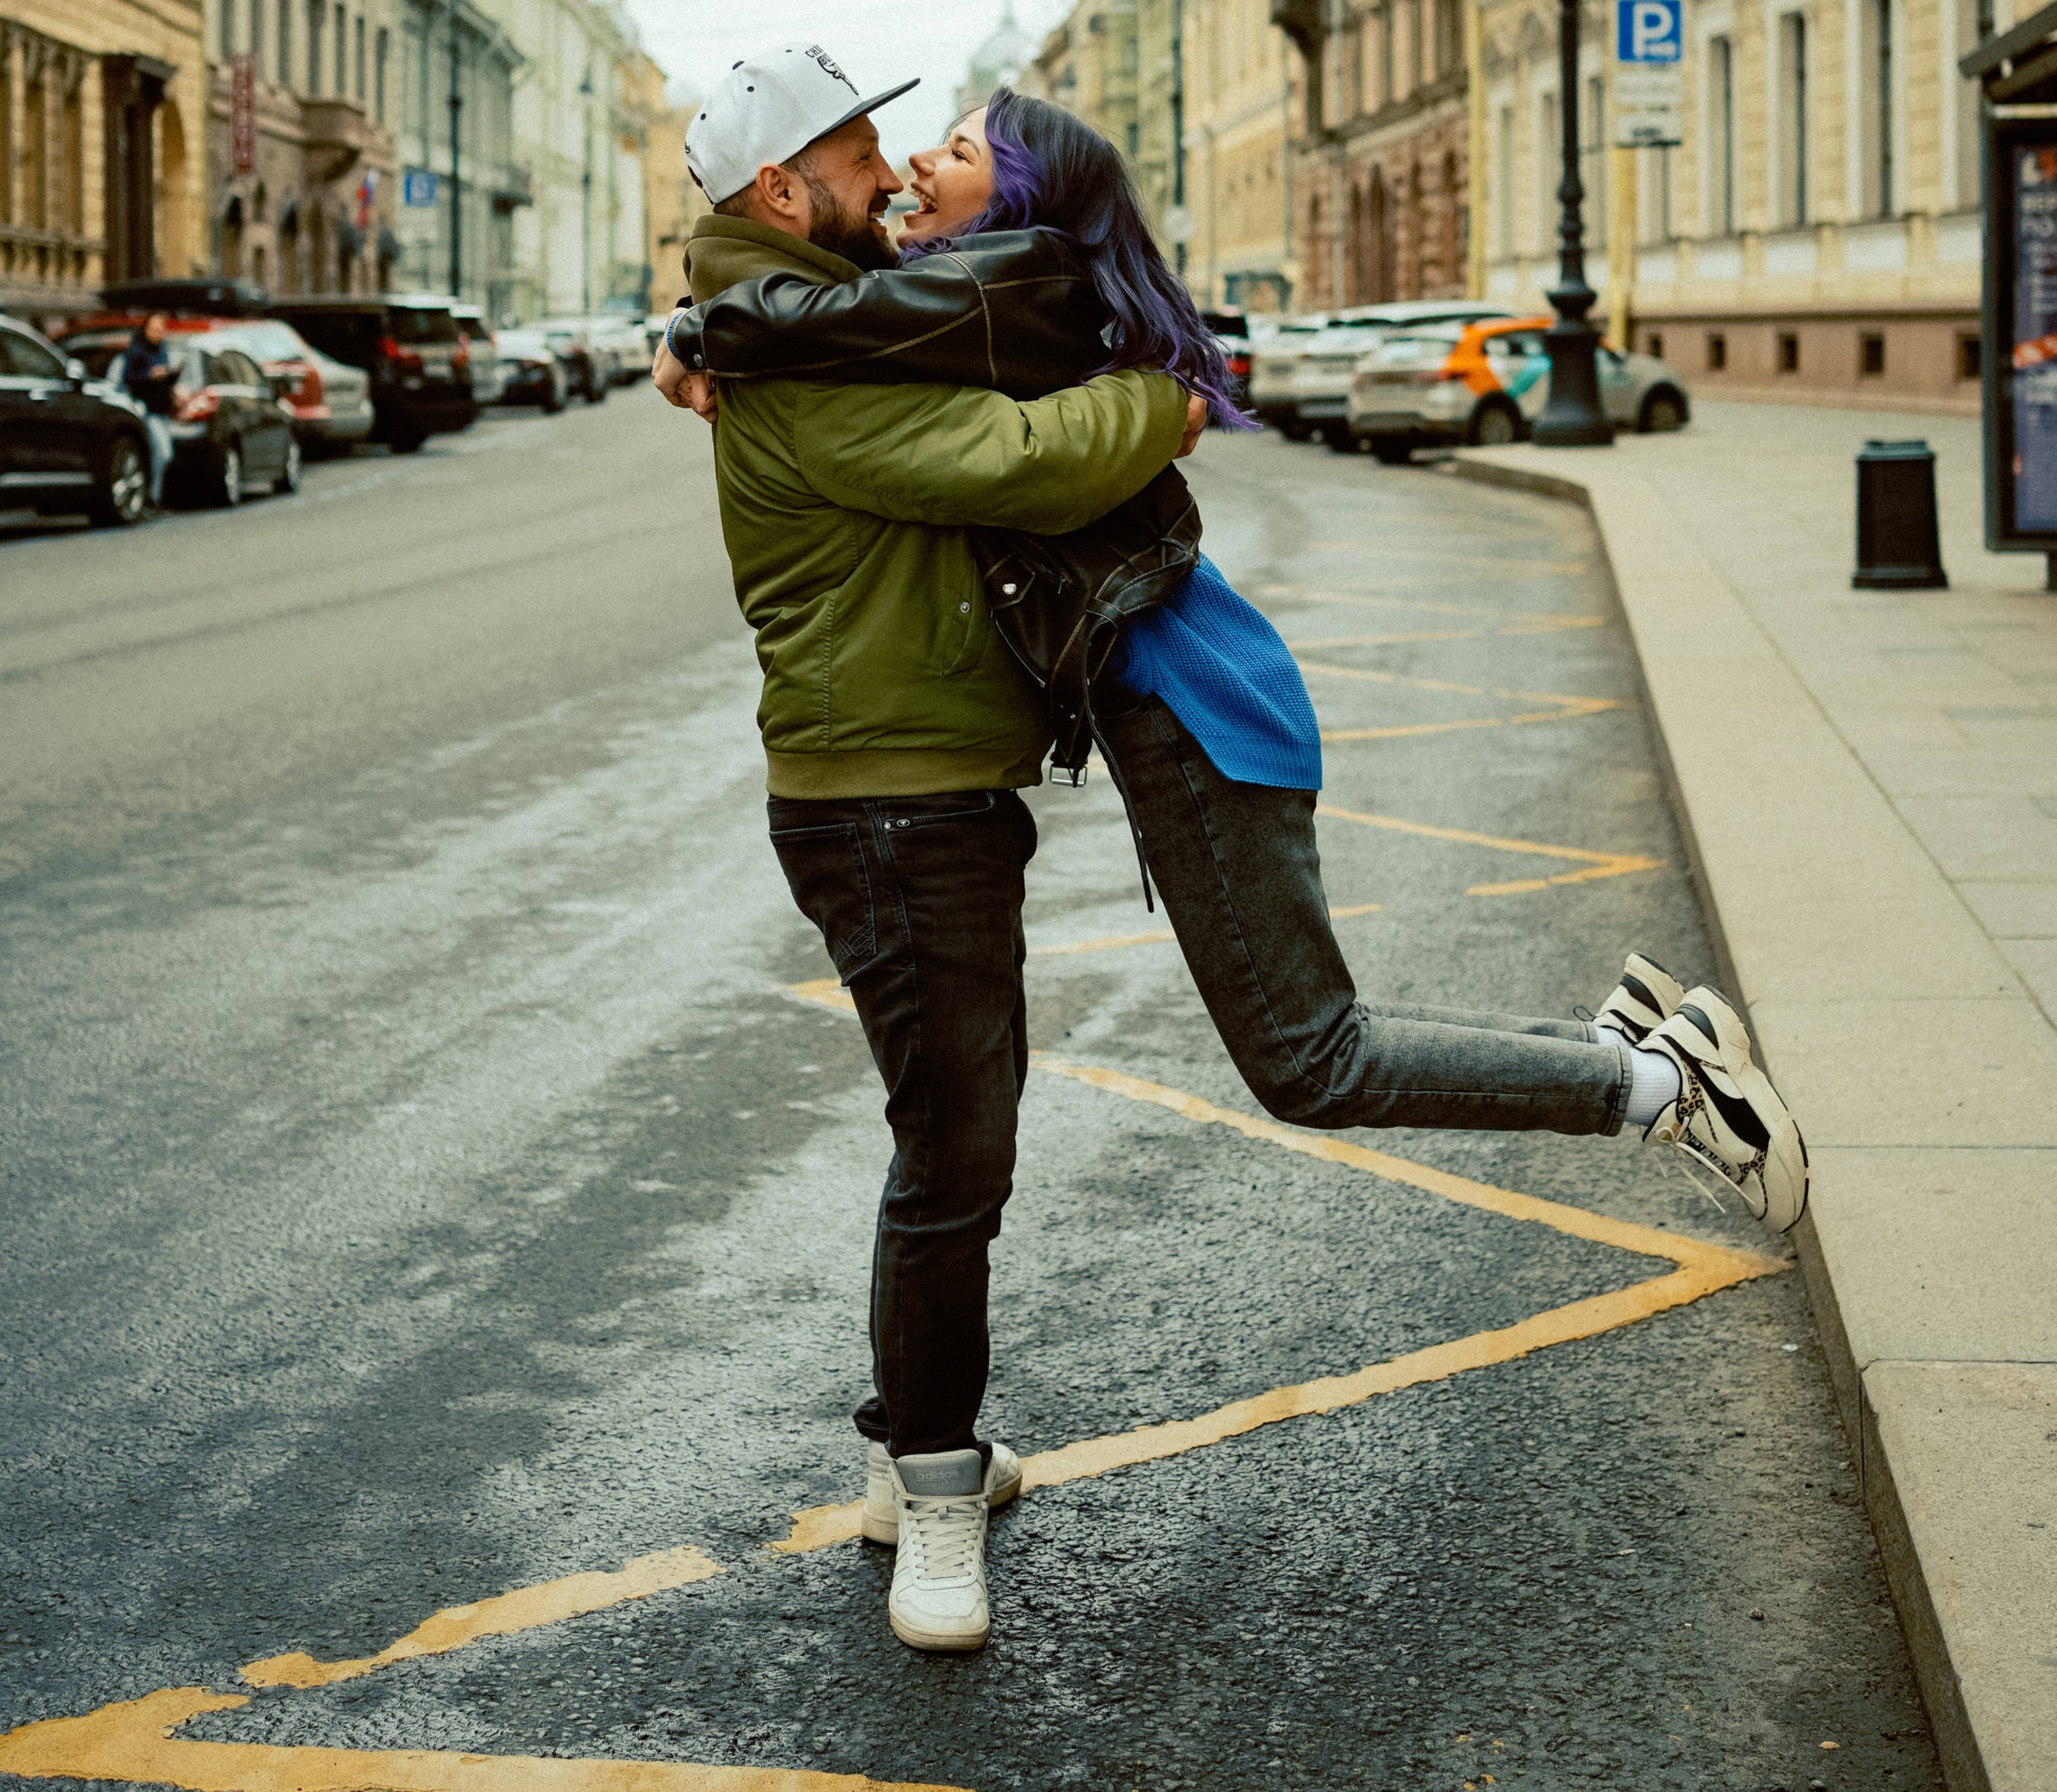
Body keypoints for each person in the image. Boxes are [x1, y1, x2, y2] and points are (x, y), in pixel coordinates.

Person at [663, 80, 1806, 1216]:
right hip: (1202, 691)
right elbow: (839, 313)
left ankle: (1659, 1087)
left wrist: (705, 330)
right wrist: (687, 328)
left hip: (1195, 705)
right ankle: (1625, 1045)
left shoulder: (1019, 289)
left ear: (1016, 206)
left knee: (1311, 1061)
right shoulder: (969, 316)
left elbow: (912, 381)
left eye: (955, 153)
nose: (912, 167)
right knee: (1318, 1040)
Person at [655, 46, 1201, 1657]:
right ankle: (934, 1495)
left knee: (956, 1136)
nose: (892, 174)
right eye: (858, 155)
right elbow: (1008, 460)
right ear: (780, 190)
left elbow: (998, 332)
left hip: (922, 786)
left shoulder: (802, 316)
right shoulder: (793, 360)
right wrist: (1160, 406)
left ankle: (917, 1453)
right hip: (885, 802)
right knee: (955, 1156)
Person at [118, 314, 179, 510]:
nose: (159, 333)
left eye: (162, 329)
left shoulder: (163, 348)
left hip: (163, 409)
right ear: (146, 330)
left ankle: (154, 497)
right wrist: (150, 375)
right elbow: (127, 378)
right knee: (163, 453)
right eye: (155, 329)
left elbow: (165, 378)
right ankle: (152, 496)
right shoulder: (137, 350)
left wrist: (172, 379)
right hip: (147, 409)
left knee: (159, 453)